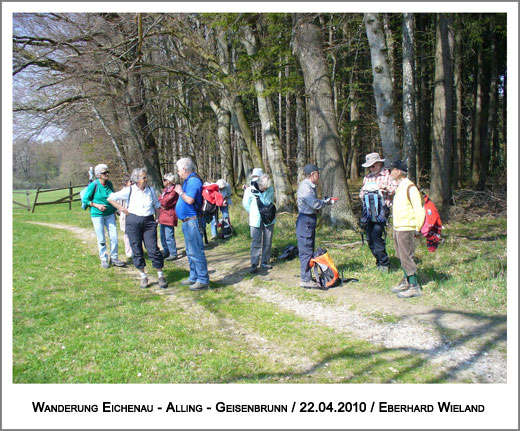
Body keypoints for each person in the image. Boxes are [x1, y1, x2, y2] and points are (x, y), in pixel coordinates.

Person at [107, 168, 167, 289]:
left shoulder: (150, 190)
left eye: (146, 177)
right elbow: (110, 198)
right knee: (136, 249)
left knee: (153, 249)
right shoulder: (129, 190)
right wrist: (121, 208)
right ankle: (143, 276)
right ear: (136, 179)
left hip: (149, 221)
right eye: (143, 177)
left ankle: (160, 275)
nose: (146, 179)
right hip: (133, 221)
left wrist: (157, 218)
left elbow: (157, 205)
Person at [389, 160, 425, 298]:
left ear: (398, 171)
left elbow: (419, 209)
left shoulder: (410, 187)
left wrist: (417, 228)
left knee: (407, 257)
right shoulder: (400, 187)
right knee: (401, 256)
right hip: (398, 227)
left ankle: (414, 286)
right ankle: (406, 281)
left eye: (391, 170)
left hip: (407, 227)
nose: (389, 173)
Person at [174, 157, 210, 291]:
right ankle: (194, 277)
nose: (178, 173)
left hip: (193, 220)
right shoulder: (189, 181)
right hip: (188, 221)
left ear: (184, 169)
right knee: (190, 251)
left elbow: (189, 200)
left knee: (196, 251)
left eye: (179, 170)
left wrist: (180, 192)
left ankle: (203, 279)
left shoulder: (193, 181)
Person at [359, 152, 398, 272]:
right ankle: (379, 260)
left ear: (379, 163)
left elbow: (396, 189)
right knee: (369, 237)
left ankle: (384, 263)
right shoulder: (367, 178)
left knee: (376, 235)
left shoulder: (388, 175)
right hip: (368, 209)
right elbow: (361, 194)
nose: (371, 169)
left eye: (373, 166)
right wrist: (366, 192)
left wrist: (384, 188)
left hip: (382, 209)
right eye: (369, 167)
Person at [296, 164, 333, 289]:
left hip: (308, 219)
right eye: (318, 173)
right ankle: (305, 279)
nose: (319, 176)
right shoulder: (306, 188)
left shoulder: (310, 186)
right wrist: (326, 202)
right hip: (305, 220)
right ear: (312, 174)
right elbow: (315, 204)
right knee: (306, 250)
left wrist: (324, 201)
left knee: (308, 248)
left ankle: (306, 276)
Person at [81, 164, 125, 269]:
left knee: (114, 236)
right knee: (101, 238)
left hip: (109, 214)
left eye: (107, 172)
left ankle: (114, 258)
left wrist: (116, 211)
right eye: (104, 173)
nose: (107, 174)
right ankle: (104, 259)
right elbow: (86, 200)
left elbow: (112, 198)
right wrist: (97, 205)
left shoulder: (109, 184)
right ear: (98, 175)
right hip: (97, 215)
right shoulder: (94, 185)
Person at [242, 173, 275, 273]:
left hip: (269, 219)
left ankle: (265, 261)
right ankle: (254, 264)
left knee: (267, 241)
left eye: (267, 188)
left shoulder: (270, 189)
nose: (265, 189)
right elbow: (246, 205)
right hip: (255, 219)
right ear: (259, 184)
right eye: (263, 187)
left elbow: (271, 201)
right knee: (255, 241)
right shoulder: (249, 190)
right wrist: (253, 213)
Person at [158, 173, 179, 261]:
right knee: (162, 235)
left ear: (169, 181)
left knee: (169, 235)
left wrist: (161, 202)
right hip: (162, 214)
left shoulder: (174, 191)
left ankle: (173, 253)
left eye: (165, 180)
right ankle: (166, 251)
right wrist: (161, 202)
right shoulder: (165, 190)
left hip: (169, 215)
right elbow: (159, 200)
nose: (163, 181)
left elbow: (165, 202)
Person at [118, 175, 133, 263]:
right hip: (125, 215)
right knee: (127, 233)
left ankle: (135, 250)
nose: (131, 183)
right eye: (130, 182)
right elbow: (118, 203)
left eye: (132, 182)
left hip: (134, 214)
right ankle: (128, 251)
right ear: (126, 183)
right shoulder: (122, 192)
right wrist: (121, 211)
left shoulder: (135, 192)